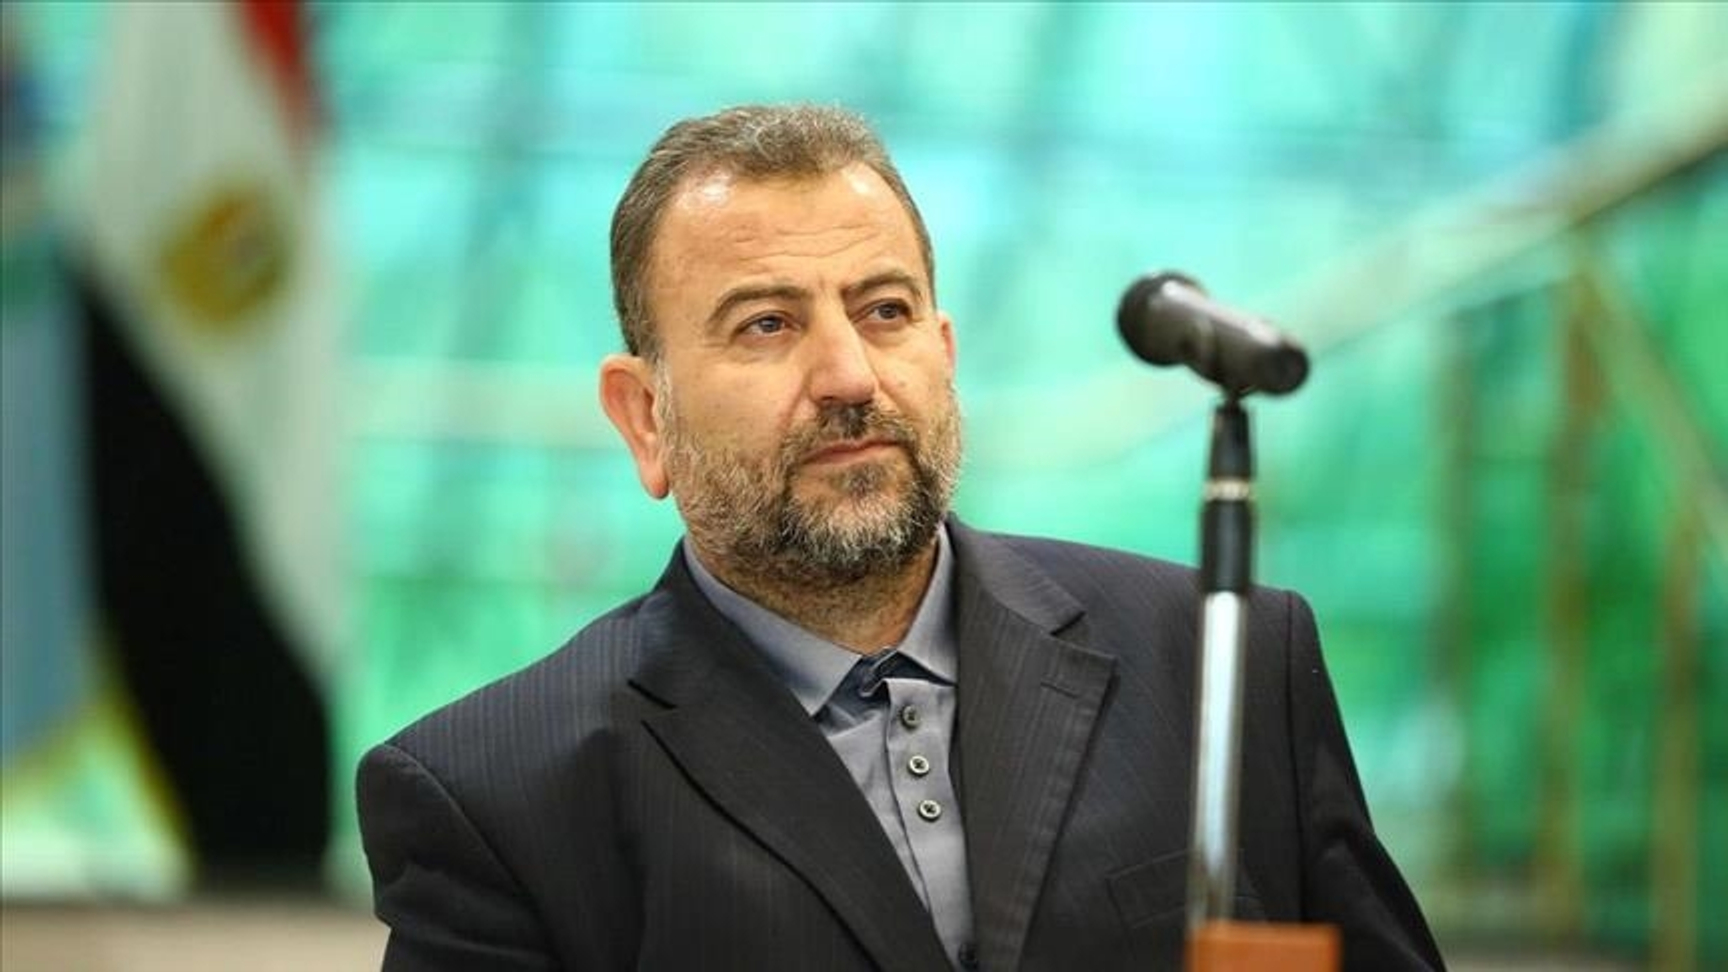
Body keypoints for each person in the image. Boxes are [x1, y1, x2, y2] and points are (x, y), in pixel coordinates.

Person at [356, 104, 1444, 972]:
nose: (849, 376)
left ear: (945, 353)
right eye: (767, 324)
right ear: (646, 418)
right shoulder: (496, 796)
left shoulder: (1222, 658)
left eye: (885, 311)